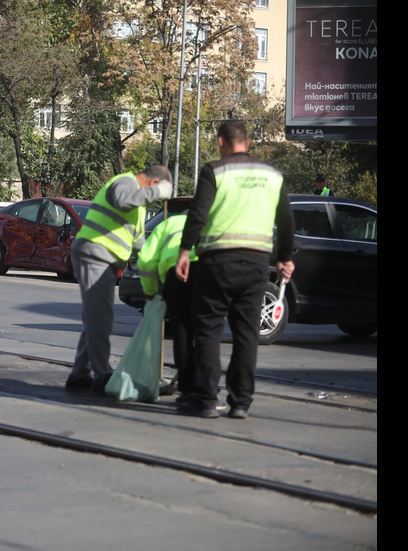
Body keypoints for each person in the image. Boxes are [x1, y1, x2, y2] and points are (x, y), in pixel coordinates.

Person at [175, 120, 295, 419]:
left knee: (208, 331)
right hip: (256, 265)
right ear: (248, 142)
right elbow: (288, 219)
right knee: (246, 333)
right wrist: (283, 258)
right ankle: (241, 402)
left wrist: (185, 251)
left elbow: (198, 213)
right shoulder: (273, 175)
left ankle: (204, 400)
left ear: (220, 142)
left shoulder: (215, 170)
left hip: (217, 263)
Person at [66, 165, 173, 395]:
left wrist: (156, 259)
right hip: (95, 253)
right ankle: (102, 374)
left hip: (101, 257)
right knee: (101, 318)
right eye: (158, 190)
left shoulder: (138, 208)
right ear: (154, 183)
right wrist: (157, 193)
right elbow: (123, 200)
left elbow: (137, 241)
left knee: (95, 317)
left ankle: (79, 374)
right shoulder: (125, 183)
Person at [135, 204, 197, 403]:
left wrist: (151, 291)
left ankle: (187, 390)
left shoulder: (167, 224)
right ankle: (206, 389)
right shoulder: (209, 223)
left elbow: (145, 260)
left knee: (182, 333)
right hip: (207, 273)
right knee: (207, 334)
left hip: (176, 275)